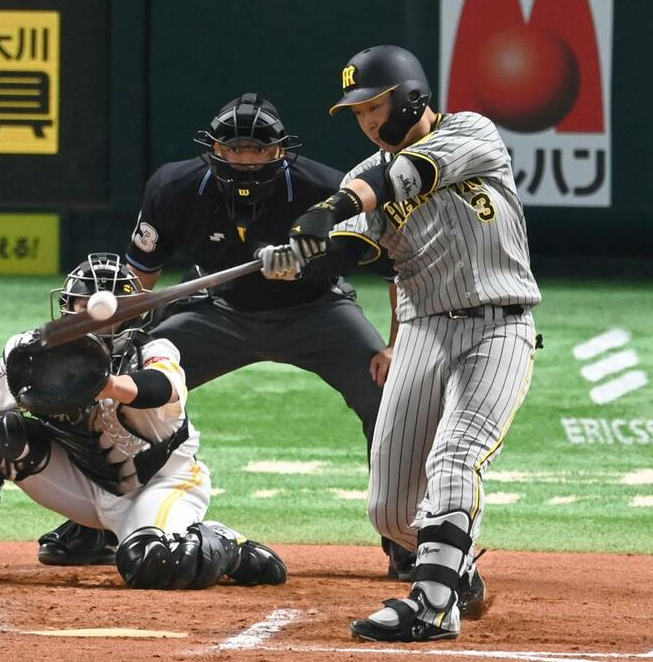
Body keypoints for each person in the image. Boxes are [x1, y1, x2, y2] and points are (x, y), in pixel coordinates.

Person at [36, 93, 414, 577]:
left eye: (258, 150)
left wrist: (394, 344)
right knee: (102, 386)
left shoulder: (326, 188)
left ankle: (405, 536)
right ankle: (91, 524)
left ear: (281, 151)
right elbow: (140, 278)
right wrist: (107, 347)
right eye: (235, 149)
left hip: (319, 311)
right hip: (218, 314)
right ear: (213, 148)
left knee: (388, 394)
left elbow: (397, 267)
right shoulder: (174, 186)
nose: (246, 159)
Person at [282, 45, 543, 642]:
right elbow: (355, 248)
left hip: (498, 325)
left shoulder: (472, 133)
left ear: (412, 97)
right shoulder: (358, 177)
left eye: (374, 106)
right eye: (357, 113)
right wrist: (302, 257)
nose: (368, 122)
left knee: (454, 458)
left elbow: (402, 177)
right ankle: (456, 573)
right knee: (393, 511)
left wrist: (330, 207)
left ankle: (430, 606)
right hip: (423, 329)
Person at [0, 253, 287, 590]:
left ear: (131, 314)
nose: (92, 321)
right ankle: (93, 534)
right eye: (82, 309)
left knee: (154, 563)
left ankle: (225, 543)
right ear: (66, 308)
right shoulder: (31, 353)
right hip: (82, 483)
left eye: (109, 312)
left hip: (159, 484)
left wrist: (105, 384)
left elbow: (160, 388)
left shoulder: (154, 351)